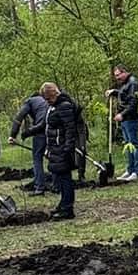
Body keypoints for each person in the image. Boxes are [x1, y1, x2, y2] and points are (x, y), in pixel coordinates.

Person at [25, 82, 84, 220]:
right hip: (55, 147)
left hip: (62, 148)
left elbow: (70, 128)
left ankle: (67, 208)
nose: (46, 101)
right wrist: (30, 131)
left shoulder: (64, 106)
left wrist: (67, 147)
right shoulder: (53, 107)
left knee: (65, 178)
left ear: (54, 94)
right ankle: (63, 204)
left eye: (47, 98)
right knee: (59, 177)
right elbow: (46, 124)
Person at [106, 63, 138, 180]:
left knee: (134, 144)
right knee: (128, 145)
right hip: (126, 119)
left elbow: (133, 102)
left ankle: (137, 172)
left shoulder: (133, 83)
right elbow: (124, 94)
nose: (117, 78)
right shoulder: (125, 84)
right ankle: (130, 169)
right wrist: (114, 92)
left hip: (131, 118)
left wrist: (122, 114)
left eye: (118, 75)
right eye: (115, 76)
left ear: (125, 72)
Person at [9, 91, 51, 194]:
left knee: (37, 158)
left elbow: (19, 118)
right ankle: (57, 185)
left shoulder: (29, 101)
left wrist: (12, 135)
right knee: (53, 157)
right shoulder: (46, 101)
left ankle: (39, 187)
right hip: (53, 130)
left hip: (40, 131)